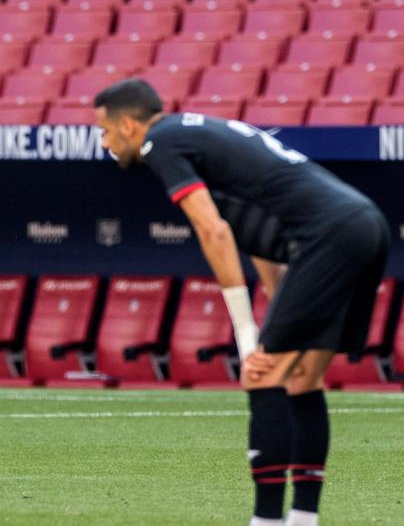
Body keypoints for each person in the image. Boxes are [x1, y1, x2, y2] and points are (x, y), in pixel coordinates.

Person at [94, 79, 390, 526]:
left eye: (104, 130)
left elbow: (213, 231)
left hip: (329, 236)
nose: (104, 142)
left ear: (129, 126)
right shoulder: (198, 134)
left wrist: (246, 332)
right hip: (364, 225)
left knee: (261, 374)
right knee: (303, 379)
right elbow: (260, 237)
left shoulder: (161, 143)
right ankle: (303, 519)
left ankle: (265, 520)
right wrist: (275, 313)